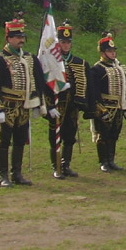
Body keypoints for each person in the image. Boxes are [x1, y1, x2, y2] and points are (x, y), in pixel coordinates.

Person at [0, 14, 47, 187]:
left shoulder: (30, 58)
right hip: (7, 105)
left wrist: (38, 103)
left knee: (20, 140)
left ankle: (17, 173)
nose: (21, 40)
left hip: (24, 106)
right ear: (9, 38)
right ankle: (3, 175)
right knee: (4, 141)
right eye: (17, 37)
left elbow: (38, 82)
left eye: (22, 36)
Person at [46, 20, 91, 179]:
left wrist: (83, 102)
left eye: (68, 42)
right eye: (63, 42)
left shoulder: (79, 62)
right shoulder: (51, 62)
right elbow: (46, 85)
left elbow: (84, 84)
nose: (66, 45)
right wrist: (49, 106)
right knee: (55, 136)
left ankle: (66, 165)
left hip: (72, 105)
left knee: (70, 136)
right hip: (58, 104)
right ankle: (56, 165)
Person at [90, 32, 126, 172]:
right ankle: (103, 161)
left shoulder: (120, 68)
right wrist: (100, 108)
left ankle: (111, 160)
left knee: (114, 134)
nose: (112, 53)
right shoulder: (97, 69)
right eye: (109, 51)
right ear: (102, 53)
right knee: (102, 135)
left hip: (118, 107)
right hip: (104, 107)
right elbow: (94, 91)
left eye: (113, 50)